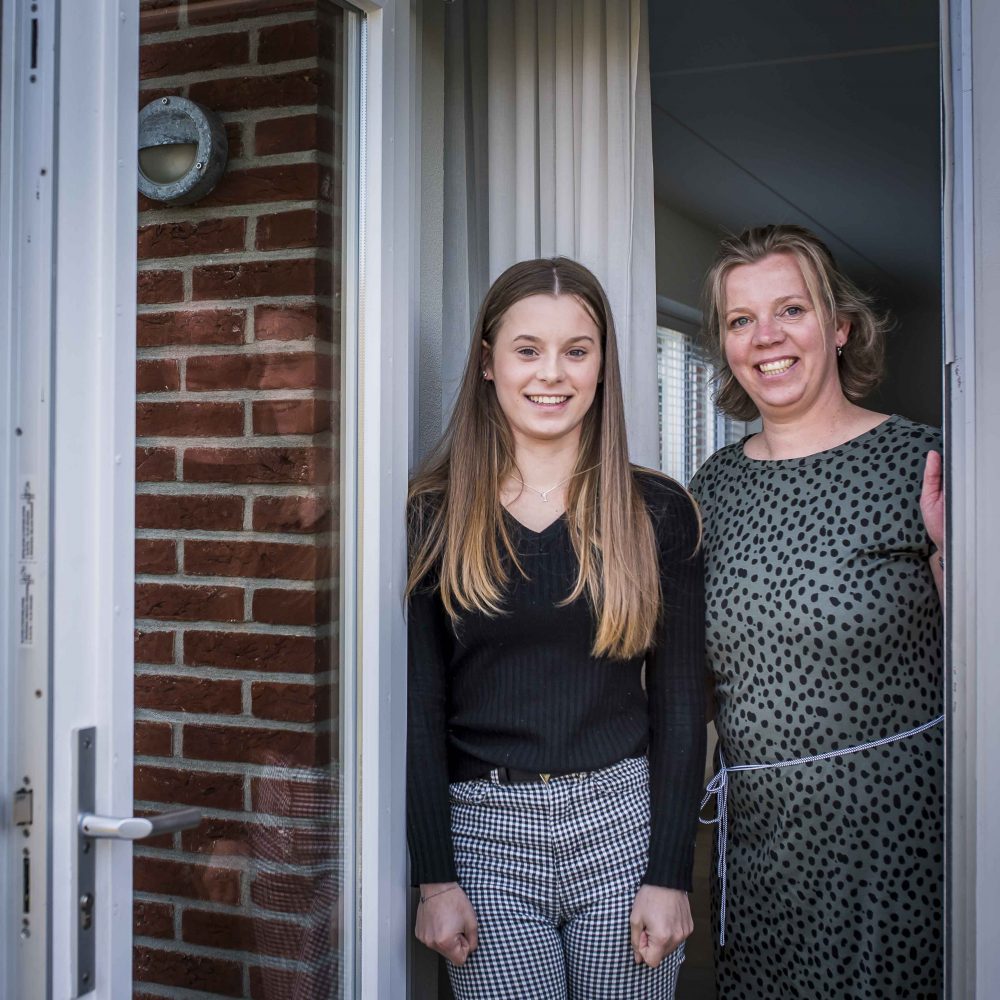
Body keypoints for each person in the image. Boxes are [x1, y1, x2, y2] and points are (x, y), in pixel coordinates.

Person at [406, 257, 706, 999]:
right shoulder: (433, 516)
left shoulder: (658, 511)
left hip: (621, 828)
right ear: (487, 362)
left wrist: (670, 873)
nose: (553, 374)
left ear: (603, 366)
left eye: (577, 350)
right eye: (527, 349)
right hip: (485, 837)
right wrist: (433, 879)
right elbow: (420, 706)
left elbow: (680, 704)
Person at [690, 224, 944, 1000]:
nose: (766, 337)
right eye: (741, 320)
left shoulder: (925, 462)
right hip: (764, 852)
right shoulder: (712, 487)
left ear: (839, 326)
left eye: (790, 309)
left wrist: (956, 559)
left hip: (896, 841)